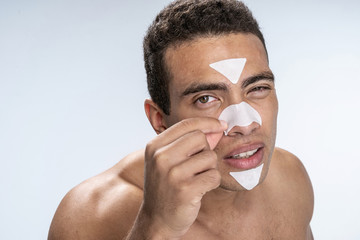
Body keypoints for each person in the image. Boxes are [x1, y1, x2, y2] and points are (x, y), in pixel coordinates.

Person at [48, 0, 314, 239]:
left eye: (257, 89)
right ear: (159, 119)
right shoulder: (90, 214)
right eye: (206, 98)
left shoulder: (290, 180)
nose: (245, 125)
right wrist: (156, 227)